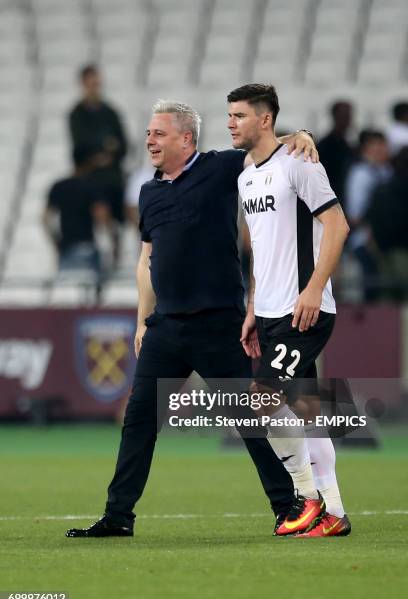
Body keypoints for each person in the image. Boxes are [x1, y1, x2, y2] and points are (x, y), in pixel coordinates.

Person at [66, 100, 324, 539]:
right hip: (166, 326)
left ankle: (288, 506)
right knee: (139, 421)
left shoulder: (219, 168)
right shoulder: (149, 192)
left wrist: (300, 135)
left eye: (158, 133)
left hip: (218, 325)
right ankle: (118, 516)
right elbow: (146, 261)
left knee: (250, 419)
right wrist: (142, 321)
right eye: (148, 133)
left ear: (186, 138)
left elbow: (265, 149)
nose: (149, 140)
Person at [228, 83, 351, 537]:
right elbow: (262, 250)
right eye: (229, 115)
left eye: (239, 115)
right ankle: (334, 514)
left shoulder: (299, 162)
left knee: (260, 400)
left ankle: (307, 498)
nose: (230, 124)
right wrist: (252, 308)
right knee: (305, 410)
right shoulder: (245, 176)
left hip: (306, 309)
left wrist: (315, 288)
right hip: (271, 311)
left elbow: (338, 226)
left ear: (265, 119)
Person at [68, 65, 128, 260]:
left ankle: (117, 246)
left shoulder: (110, 112)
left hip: (112, 176)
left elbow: (123, 145)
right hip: (89, 175)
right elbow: (80, 147)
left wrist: (105, 151)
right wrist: (104, 148)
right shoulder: (76, 114)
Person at [44, 146, 110, 277]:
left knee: (67, 293)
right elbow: (102, 216)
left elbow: (45, 218)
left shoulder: (59, 186)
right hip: (86, 247)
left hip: (65, 248)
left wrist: (56, 242)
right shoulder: (93, 186)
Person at [345, 130, 392, 301]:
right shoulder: (361, 174)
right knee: (370, 287)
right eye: (378, 147)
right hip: (366, 240)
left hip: (387, 240)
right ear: (366, 150)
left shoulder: (388, 172)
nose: (383, 151)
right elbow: (355, 214)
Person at [366, 146, 408, 300]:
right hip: (402, 250)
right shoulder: (394, 189)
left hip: (382, 251)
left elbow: (373, 218)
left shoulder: (382, 188)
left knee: (386, 296)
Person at [317, 100, 356, 205]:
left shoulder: (349, 143)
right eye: (344, 115)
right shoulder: (325, 145)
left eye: (349, 115)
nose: (347, 119)